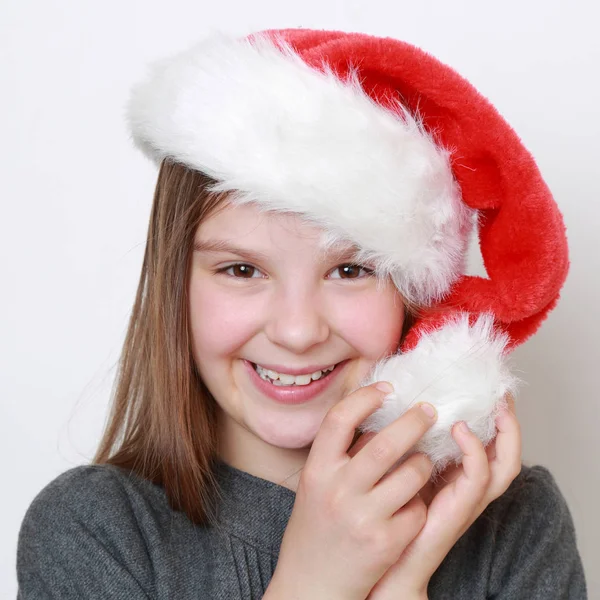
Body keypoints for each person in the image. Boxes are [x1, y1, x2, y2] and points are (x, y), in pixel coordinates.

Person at [16, 28, 587, 599]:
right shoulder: (94, 532)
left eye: (350, 271)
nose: (297, 331)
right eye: (242, 271)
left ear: (417, 300)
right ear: (177, 289)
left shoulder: (515, 527)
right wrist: (315, 585)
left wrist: (406, 578)